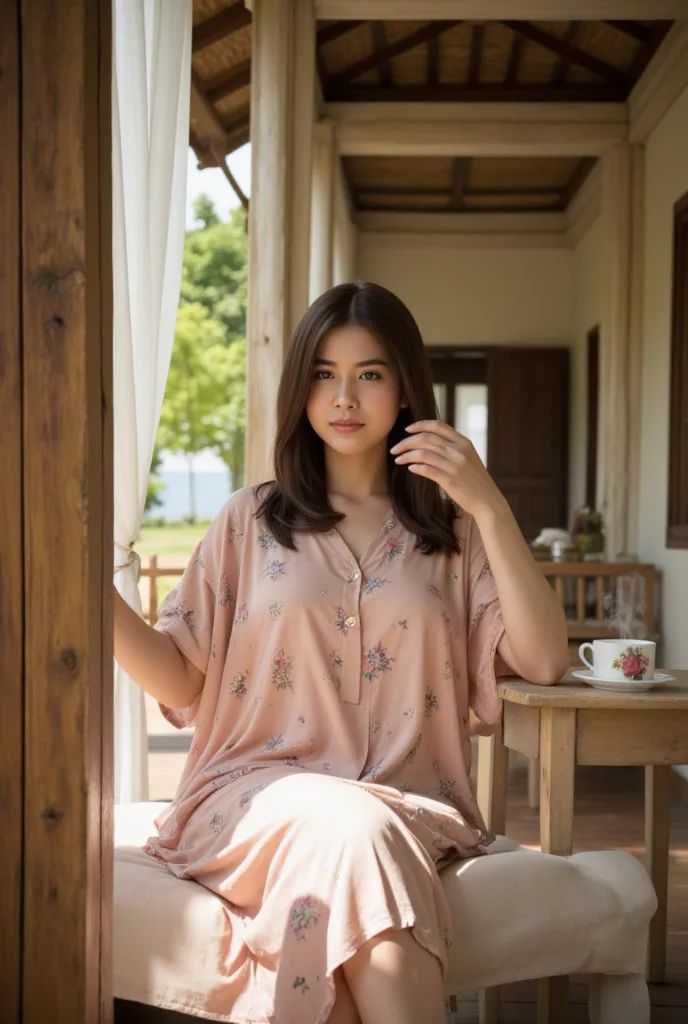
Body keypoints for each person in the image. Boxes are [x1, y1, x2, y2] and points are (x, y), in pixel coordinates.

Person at [114, 281, 569, 1024]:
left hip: (407, 806)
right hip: (251, 797)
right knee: (350, 831)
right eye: (324, 373)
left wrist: (488, 501)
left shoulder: (452, 536)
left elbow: (545, 660)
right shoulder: (248, 521)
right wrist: (89, 595)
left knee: (356, 843)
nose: (344, 396)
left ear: (405, 389)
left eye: (370, 373)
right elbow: (179, 671)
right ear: (301, 389)